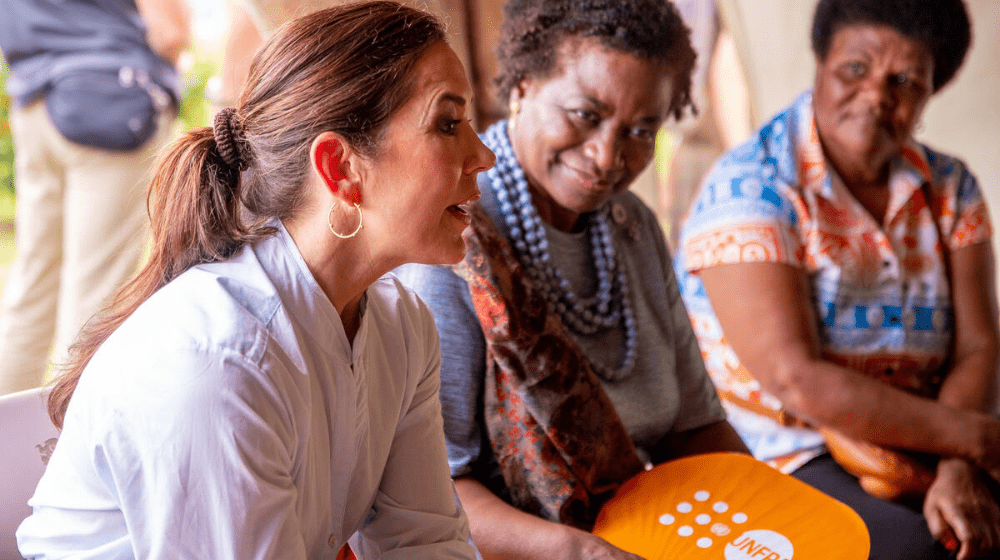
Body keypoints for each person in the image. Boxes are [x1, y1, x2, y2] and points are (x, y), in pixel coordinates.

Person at [16, 2, 496, 558]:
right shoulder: (218, 361)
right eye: (448, 124)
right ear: (340, 168)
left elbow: (425, 542)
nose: (482, 154)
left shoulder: (400, 324)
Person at [396, 1, 749, 558]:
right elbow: (431, 493)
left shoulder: (633, 228)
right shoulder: (453, 237)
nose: (608, 155)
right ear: (522, 89)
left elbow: (694, 429)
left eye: (640, 130)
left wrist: (774, 519)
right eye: (585, 114)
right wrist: (580, 551)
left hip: (646, 532)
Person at [675, 0, 1000, 558]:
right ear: (821, 62)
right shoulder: (751, 185)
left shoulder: (952, 186)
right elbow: (795, 378)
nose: (877, 96)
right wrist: (976, 440)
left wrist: (957, 464)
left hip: (935, 430)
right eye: (856, 68)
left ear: (930, 93)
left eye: (904, 81)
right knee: (922, 549)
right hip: (789, 446)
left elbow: (977, 345)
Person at [0, 0, 190, 397]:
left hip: (35, 99)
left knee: (33, 283)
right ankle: (76, 446)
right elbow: (171, 31)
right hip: (110, 99)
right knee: (95, 293)